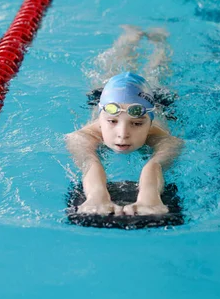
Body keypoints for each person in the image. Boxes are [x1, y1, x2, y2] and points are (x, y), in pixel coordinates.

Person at [66, 26, 183, 216]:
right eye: (112, 121)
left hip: (154, 97)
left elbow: (155, 164)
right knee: (114, 64)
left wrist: (150, 197)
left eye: (137, 123)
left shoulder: (162, 137)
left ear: (150, 123)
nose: (122, 133)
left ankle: (160, 41)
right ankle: (129, 37)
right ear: (101, 117)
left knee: (158, 70)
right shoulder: (83, 136)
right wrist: (96, 196)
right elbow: (90, 161)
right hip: (107, 94)